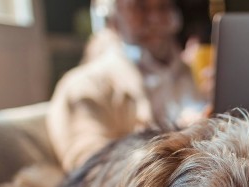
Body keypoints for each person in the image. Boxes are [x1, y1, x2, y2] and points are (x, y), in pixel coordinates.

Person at [47, 0, 207, 171]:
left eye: (164, 7)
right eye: (139, 7)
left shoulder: (190, 73)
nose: (155, 18)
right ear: (114, 20)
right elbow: (90, 171)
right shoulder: (83, 87)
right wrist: (182, 140)